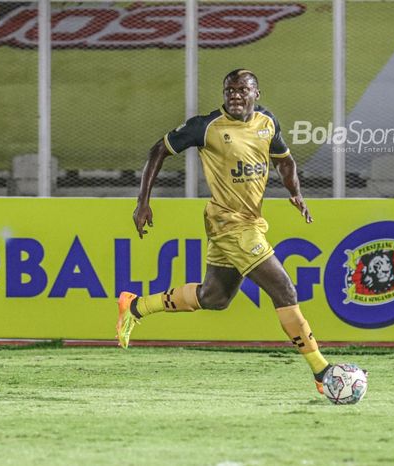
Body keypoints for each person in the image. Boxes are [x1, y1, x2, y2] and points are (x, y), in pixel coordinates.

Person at [115, 69, 331, 394]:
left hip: (248, 221)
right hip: (230, 225)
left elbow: (284, 161)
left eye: (243, 90)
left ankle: (135, 307)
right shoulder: (206, 127)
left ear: (256, 93)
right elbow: (157, 150)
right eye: (230, 90)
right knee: (284, 291)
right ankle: (322, 372)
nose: (235, 95)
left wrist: (295, 192)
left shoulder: (267, 123)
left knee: (214, 297)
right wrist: (142, 203)